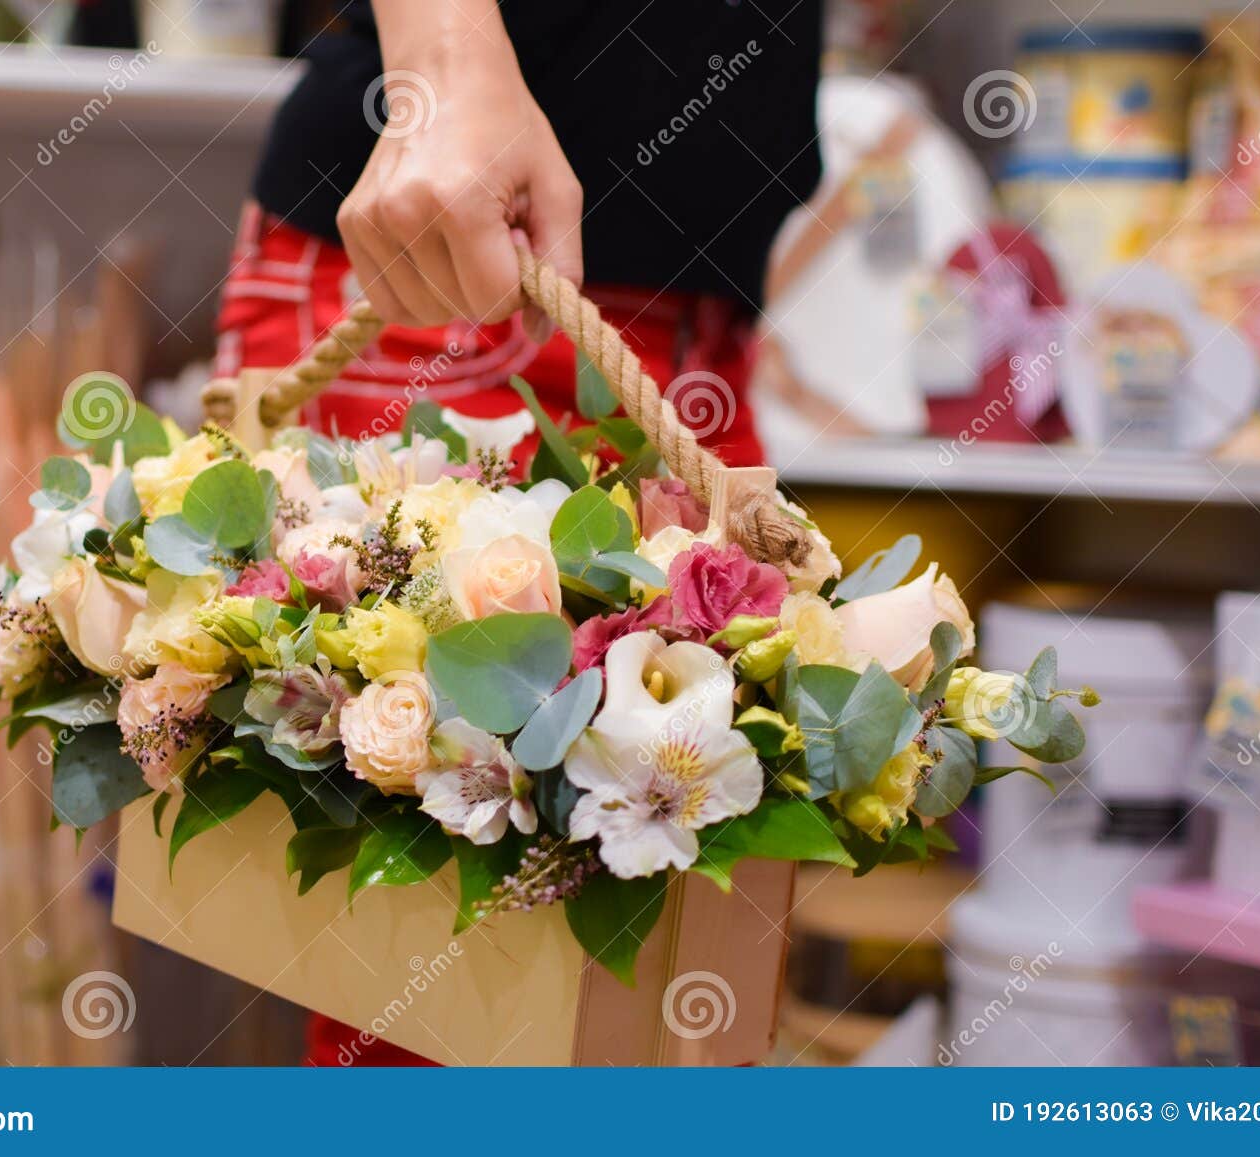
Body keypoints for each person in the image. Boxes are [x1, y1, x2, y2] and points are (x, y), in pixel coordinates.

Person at [214, 0, 825, 1065]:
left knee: (664, 1005)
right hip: (449, 259)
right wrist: (443, 61)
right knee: (428, 1010)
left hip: (685, 299)